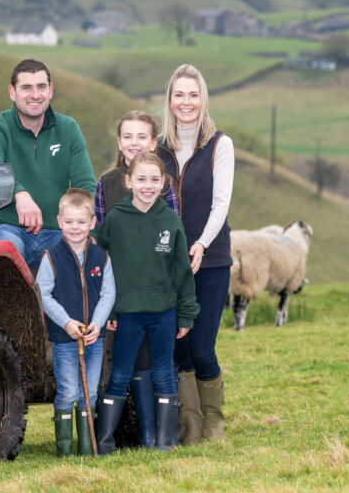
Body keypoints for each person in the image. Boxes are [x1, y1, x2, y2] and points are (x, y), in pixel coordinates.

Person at [94, 152, 199, 454]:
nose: (147, 185)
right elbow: (103, 267)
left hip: (164, 312)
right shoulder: (115, 218)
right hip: (127, 313)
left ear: (165, 183)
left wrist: (186, 314)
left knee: (164, 372)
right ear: (128, 181)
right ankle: (105, 443)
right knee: (120, 373)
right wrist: (110, 309)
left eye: (155, 180)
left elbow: (182, 271)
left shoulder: (170, 220)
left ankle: (164, 442)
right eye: (141, 179)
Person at [156, 64, 234, 444]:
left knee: (203, 346)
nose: (186, 102)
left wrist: (201, 243)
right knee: (179, 346)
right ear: (169, 101)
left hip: (212, 258)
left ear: (203, 100)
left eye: (193, 94)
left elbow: (221, 204)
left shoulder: (220, 144)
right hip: (170, 263)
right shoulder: (158, 148)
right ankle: (192, 427)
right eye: (179, 94)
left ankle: (215, 425)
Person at [0, 59, 96, 267]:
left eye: (41, 86)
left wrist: (86, 227)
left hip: (55, 231)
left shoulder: (68, 128)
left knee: (83, 256)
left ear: (51, 90)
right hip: (4, 226)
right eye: (26, 88)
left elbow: (85, 186)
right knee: (7, 251)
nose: (35, 95)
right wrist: (20, 194)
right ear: (12, 92)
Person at [36, 188, 116, 456]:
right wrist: (66, 322)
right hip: (65, 339)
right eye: (69, 222)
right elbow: (43, 294)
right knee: (69, 391)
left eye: (81, 222)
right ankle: (65, 450)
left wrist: (97, 323)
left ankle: (86, 449)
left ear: (92, 222)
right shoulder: (51, 257)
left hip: (93, 338)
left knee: (89, 393)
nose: (75, 228)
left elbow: (108, 293)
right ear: (59, 221)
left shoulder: (101, 256)